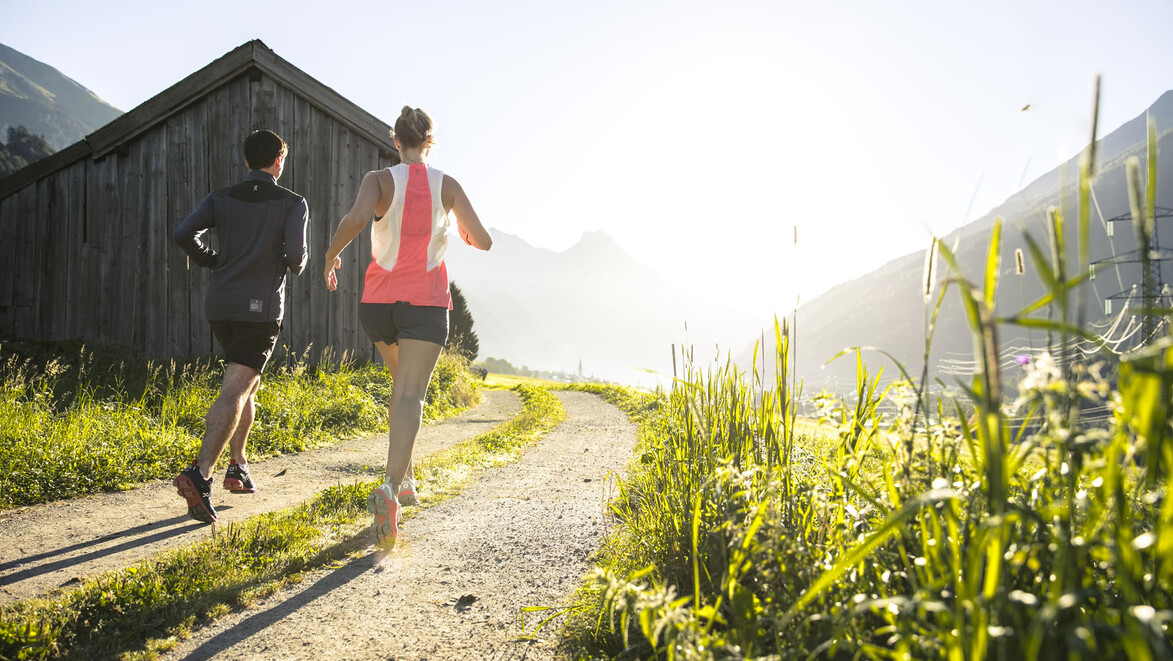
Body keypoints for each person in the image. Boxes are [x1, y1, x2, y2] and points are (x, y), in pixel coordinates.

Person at [324, 106, 492, 549]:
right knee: (412, 394)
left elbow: (357, 220)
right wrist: (458, 228)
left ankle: (409, 479)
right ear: (429, 143)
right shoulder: (448, 186)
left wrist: (330, 256)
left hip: (378, 302)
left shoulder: (377, 181)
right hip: (425, 302)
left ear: (395, 141)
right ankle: (390, 487)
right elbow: (483, 240)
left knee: (401, 388)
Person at [171, 129, 309, 524]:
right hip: (259, 309)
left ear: (247, 160)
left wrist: (211, 260)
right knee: (235, 388)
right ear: (279, 161)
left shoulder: (220, 198)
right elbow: (298, 258)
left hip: (221, 304)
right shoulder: (292, 202)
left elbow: (184, 235)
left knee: (247, 383)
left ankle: (238, 465)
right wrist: (284, 262)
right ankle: (201, 473)